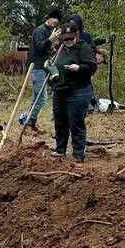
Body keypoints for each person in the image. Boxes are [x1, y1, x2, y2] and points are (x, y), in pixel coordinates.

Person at [50, 20, 98, 162]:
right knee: (60, 122)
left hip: (78, 91)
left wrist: (79, 68)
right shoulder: (60, 48)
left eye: (71, 38)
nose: (68, 41)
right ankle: (60, 151)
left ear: (77, 35)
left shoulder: (85, 48)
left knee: (76, 122)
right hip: (59, 90)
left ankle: (78, 154)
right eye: (65, 39)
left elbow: (92, 67)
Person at [20, 7, 62, 131]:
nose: (56, 22)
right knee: (42, 98)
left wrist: (52, 46)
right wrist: (50, 39)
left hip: (42, 68)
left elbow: (45, 48)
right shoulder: (40, 30)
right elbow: (38, 47)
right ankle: (30, 121)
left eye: (57, 20)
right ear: (49, 18)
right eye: (54, 18)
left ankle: (29, 123)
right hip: (37, 67)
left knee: (35, 98)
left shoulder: (48, 31)